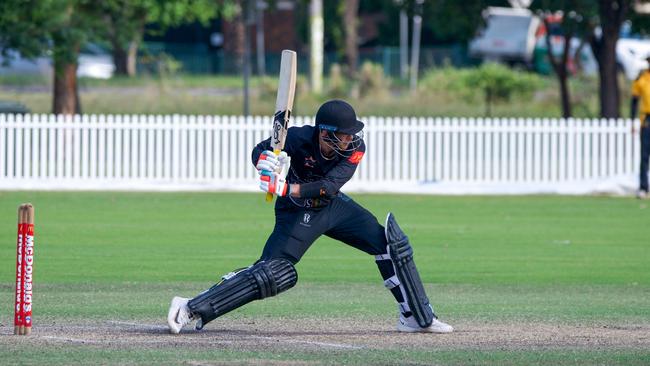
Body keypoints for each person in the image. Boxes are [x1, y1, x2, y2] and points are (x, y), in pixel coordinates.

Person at [166, 99, 453, 334]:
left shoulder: (356, 149)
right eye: (344, 134)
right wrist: (266, 163)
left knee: (390, 245)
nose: (351, 139)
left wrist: (286, 185)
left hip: (333, 206)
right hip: (296, 211)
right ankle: (191, 305)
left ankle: (415, 316)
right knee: (271, 273)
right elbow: (259, 150)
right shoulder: (298, 138)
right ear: (325, 133)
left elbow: (329, 188)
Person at [631, 58, 650, 199]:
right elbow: (634, 101)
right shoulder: (642, 78)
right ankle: (643, 187)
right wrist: (632, 121)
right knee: (644, 156)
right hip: (647, 120)